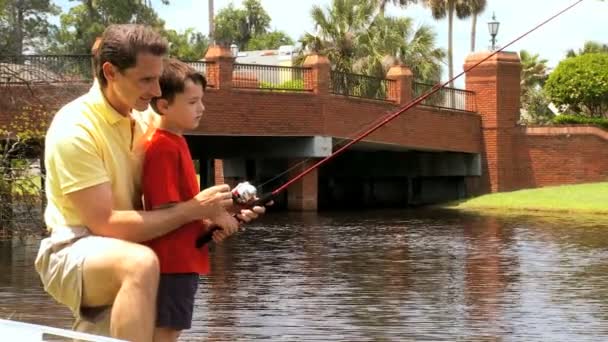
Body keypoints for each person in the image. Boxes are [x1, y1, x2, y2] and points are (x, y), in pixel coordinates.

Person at [34, 24, 266, 342]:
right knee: (139, 264)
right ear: (111, 72)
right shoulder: (75, 128)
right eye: (146, 79)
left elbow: (174, 205)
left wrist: (216, 214)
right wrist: (191, 210)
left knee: (137, 297)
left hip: (132, 245)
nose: (157, 91)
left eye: (158, 77)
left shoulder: (145, 120)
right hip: (72, 250)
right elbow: (106, 224)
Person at [140, 58, 226, 342]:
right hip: (172, 262)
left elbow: (184, 209)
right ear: (163, 105)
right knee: (166, 331)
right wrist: (212, 213)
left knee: (171, 329)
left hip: (183, 258)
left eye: (201, 100)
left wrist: (212, 222)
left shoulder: (176, 140)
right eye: (192, 102)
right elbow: (165, 210)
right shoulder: (162, 146)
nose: (201, 108)